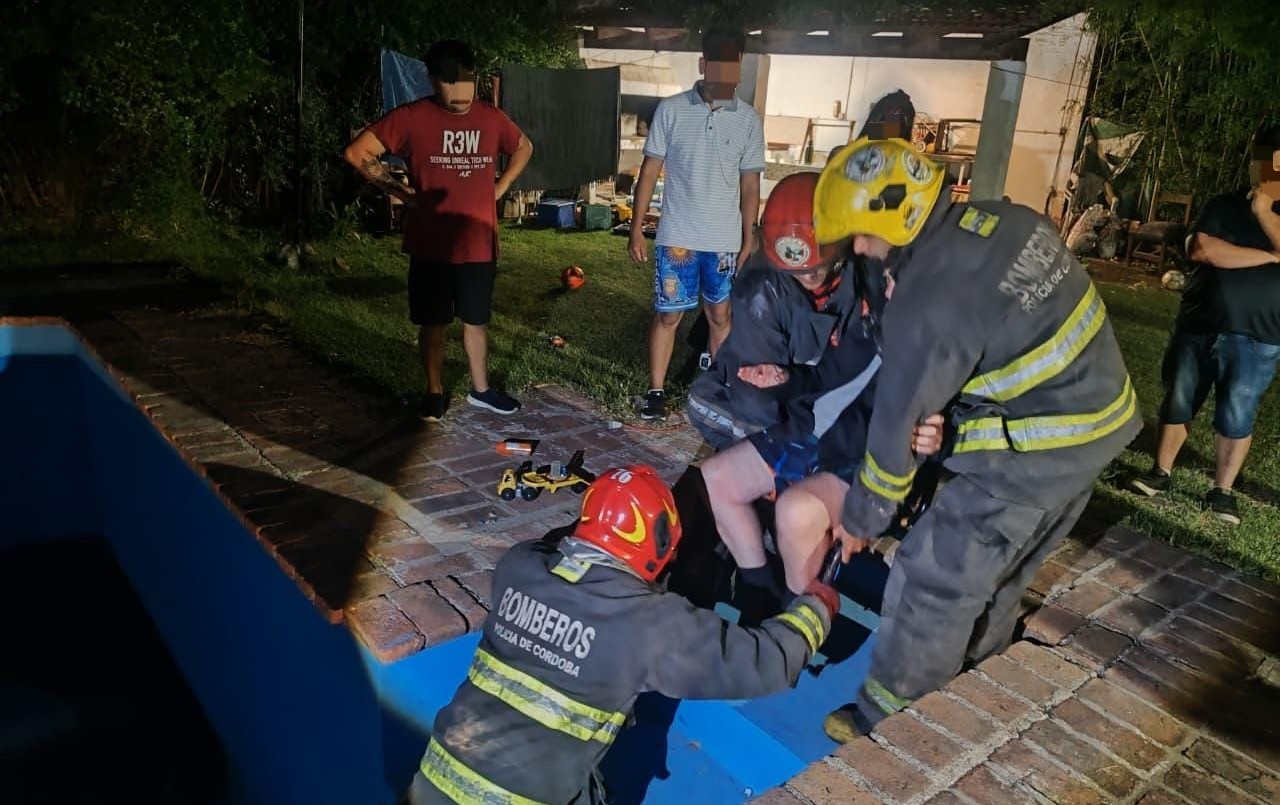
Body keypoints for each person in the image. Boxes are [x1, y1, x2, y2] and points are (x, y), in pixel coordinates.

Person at [810, 137, 1141, 742]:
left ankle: (892, 721)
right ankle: (973, 685)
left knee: (932, 576)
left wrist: (861, 519)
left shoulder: (928, 300)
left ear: (899, 219)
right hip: (1096, 426)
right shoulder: (1002, 223)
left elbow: (894, 432)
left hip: (1033, 455)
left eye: (861, 234)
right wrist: (951, 423)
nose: (857, 248)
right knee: (1000, 576)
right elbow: (1000, 342)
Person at [404, 465, 839, 804]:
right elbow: (764, 663)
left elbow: (565, 554)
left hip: (431, 784)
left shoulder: (518, 566)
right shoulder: (648, 625)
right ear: (658, 544)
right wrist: (817, 606)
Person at [693, 172, 943, 619]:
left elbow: (926, 435)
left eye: (894, 277)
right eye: (886, 277)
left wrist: (868, 507)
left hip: (862, 458)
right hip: (812, 431)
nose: (885, 285)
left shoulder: (934, 345)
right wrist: (785, 378)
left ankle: (798, 617)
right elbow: (830, 374)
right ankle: (758, 589)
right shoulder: (873, 319)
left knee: (795, 512)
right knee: (716, 478)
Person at [344, 40, 533, 421]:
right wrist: (401, 193)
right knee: (433, 323)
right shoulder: (412, 118)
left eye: (467, 81)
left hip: (478, 242)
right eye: (450, 82)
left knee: (476, 320)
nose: (460, 92)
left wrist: (501, 187)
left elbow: (524, 146)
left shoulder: (491, 118)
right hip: (431, 243)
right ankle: (433, 391)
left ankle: (481, 390)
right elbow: (357, 152)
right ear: (432, 80)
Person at [1126, 123, 1280, 525]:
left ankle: (1221, 491)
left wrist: (1264, 213)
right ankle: (1161, 471)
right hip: (1199, 323)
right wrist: (1270, 256)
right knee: (1179, 399)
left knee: (1237, 410)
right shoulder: (1223, 204)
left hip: (1258, 334)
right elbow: (1202, 249)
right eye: (1264, 159)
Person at [628, 27, 765, 421]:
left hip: (723, 241)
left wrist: (749, 235)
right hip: (678, 238)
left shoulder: (748, 120)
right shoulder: (671, 110)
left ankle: (717, 394)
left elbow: (750, 184)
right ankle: (656, 393)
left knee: (720, 317)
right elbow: (649, 171)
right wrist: (636, 228)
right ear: (703, 65)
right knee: (668, 315)